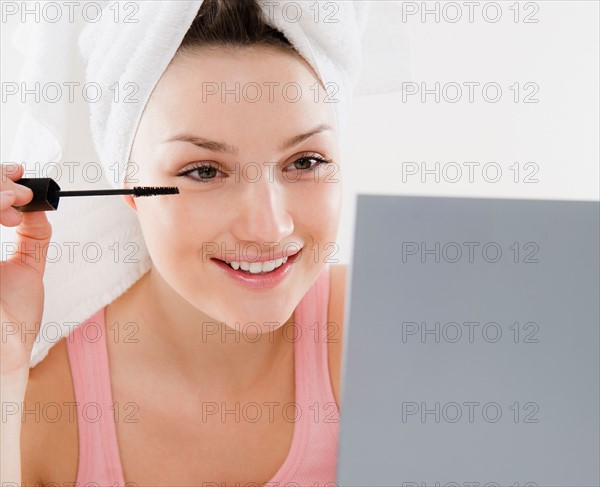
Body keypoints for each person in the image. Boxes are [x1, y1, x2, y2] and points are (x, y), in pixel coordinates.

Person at [0, 0, 348, 485]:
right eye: (204, 171)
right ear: (128, 188)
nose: (268, 228)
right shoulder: (42, 408)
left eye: (306, 161)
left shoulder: (378, 328)